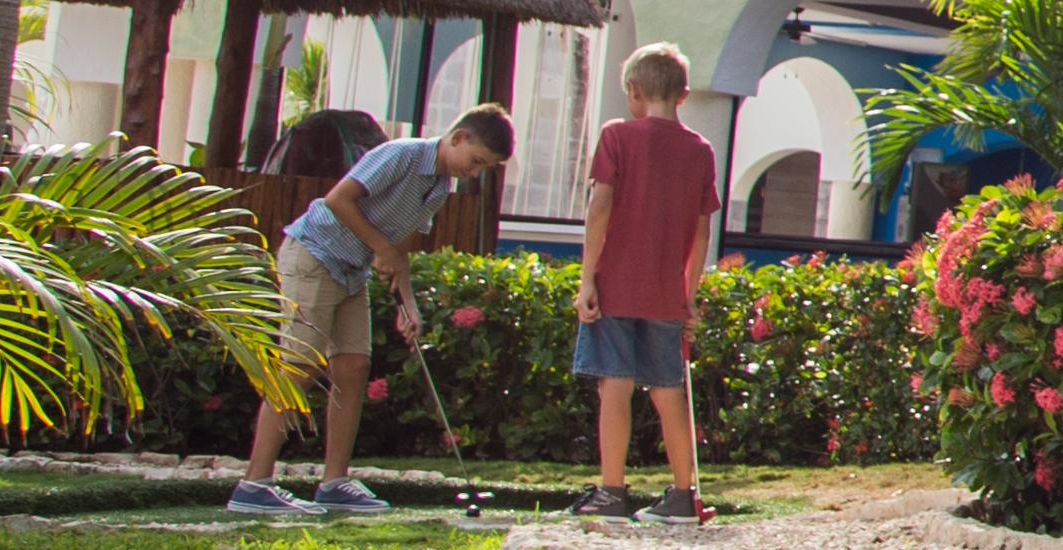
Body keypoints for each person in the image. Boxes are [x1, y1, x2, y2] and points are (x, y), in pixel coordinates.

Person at [237, 107, 517, 515]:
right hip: (313, 255)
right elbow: (338, 200)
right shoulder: (401, 155)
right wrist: (380, 248)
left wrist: (408, 305)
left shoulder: (439, 186)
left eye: (484, 168)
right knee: (299, 366)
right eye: (476, 162)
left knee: (352, 368)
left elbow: (396, 248)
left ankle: (334, 483)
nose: (475, 173)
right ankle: (254, 485)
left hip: (351, 269)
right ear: (459, 138)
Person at [573, 43, 719, 525]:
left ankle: (613, 491)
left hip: (616, 281)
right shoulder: (700, 150)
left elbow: (600, 208)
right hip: (665, 292)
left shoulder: (617, 136)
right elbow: (702, 230)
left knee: (614, 384)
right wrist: (689, 294)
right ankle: (684, 495)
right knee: (667, 388)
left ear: (633, 90)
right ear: (683, 94)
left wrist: (587, 278)